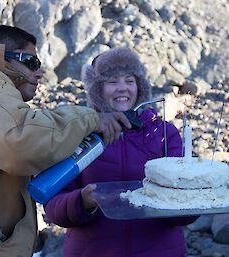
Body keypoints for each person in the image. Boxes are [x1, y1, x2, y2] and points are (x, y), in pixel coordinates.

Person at [0, 26, 131, 257]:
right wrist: (90, 118)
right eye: (32, 62)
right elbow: (19, 144)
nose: (40, 72)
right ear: (4, 58)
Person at [44, 47, 198, 257]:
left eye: (129, 80)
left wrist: (190, 200)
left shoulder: (163, 133)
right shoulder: (78, 134)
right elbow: (54, 206)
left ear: (140, 87)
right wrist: (82, 201)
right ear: (97, 89)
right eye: (112, 81)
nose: (123, 88)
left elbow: (183, 213)